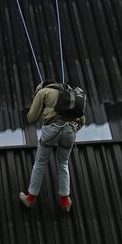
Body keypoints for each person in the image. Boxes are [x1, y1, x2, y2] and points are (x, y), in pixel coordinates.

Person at [18, 81, 84, 213]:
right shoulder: (70, 93)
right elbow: (82, 120)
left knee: (40, 162)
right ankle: (65, 201)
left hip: (52, 129)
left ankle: (30, 199)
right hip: (70, 131)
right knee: (63, 163)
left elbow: (31, 118)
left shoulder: (43, 92)